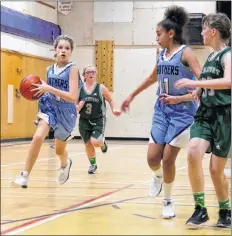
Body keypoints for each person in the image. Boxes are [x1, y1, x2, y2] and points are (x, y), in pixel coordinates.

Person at [121, 6, 201, 219]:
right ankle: (157, 177)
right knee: (152, 158)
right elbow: (151, 78)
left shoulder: (186, 53)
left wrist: (179, 97)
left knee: (168, 159)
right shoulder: (162, 55)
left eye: (158, 34)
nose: (156, 37)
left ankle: (167, 201)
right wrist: (131, 96)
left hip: (183, 114)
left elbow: (201, 83)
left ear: (170, 34)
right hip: (162, 111)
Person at [175, 13, 231, 227]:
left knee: (216, 170)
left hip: (223, 116)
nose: (201, 32)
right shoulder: (210, 57)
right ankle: (200, 209)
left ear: (213, 31)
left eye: (204, 28)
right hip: (205, 115)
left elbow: (228, 82)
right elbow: (205, 90)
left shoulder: (227, 55)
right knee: (192, 152)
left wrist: (195, 84)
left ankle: (225, 210)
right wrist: (180, 96)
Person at [13, 35, 79, 188]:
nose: (63, 51)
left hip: (66, 111)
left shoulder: (72, 70)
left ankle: (65, 164)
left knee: (59, 151)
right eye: (60, 47)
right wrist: (38, 90)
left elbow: (73, 97)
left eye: (67, 48)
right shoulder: (49, 69)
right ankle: (24, 175)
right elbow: (47, 91)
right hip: (49, 106)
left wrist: (48, 88)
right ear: (55, 50)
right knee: (38, 137)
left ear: (71, 52)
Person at [77, 65, 121, 174]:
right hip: (84, 120)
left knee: (95, 142)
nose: (91, 74)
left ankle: (102, 144)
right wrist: (78, 107)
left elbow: (110, 100)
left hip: (98, 119)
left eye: (93, 72)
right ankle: (93, 165)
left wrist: (114, 109)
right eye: (88, 72)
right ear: (84, 75)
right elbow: (74, 106)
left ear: (96, 75)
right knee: (88, 144)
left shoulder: (101, 88)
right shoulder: (79, 90)